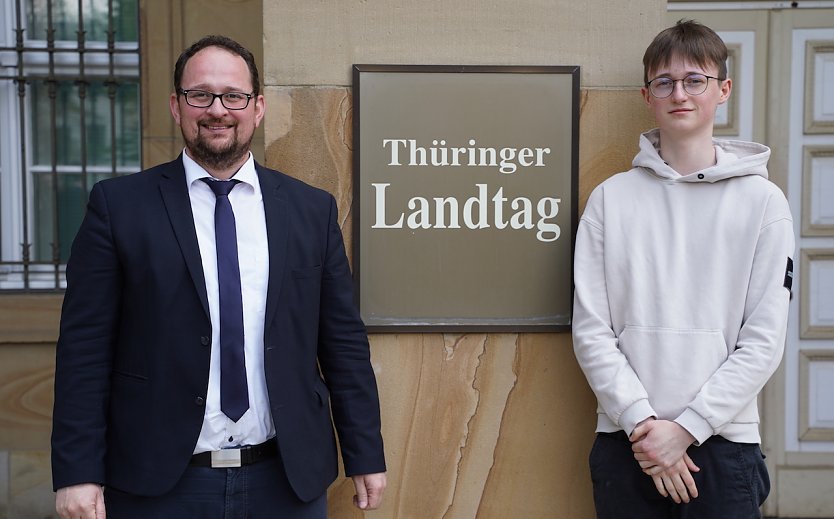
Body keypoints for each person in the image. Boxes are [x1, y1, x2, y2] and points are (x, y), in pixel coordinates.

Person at [51, 34, 386, 518]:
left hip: (284, 481)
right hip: (160, 484)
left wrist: (364, 452)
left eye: (233, 96)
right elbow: (84, 349)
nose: (217, 109)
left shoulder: (310, 210)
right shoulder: (118, 208)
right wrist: (78, 472)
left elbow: (343, 344)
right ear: (176, 105)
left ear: (258, 107)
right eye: (199, 94)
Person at [572, 20, 794, 518]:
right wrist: (645, 427)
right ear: (647, 95)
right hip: (628, 442)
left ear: (723, 91)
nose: (680, 93)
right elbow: (591, 330)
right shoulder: (610, 200)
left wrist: (688, 428)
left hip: (722, 444)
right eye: (665, 82)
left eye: (695, 80)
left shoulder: (763, 202)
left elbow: (763, 340)